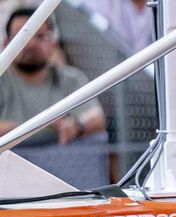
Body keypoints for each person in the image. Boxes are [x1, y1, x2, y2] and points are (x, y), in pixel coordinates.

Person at [0, 9, 106, 147]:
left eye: (39, 36)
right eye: (21, 37)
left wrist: (76, 125)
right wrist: (26, 130)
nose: (30, 44)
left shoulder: (70, 78)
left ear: (53, 43)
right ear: (6, 43)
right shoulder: (2, 79)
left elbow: (97, 117)